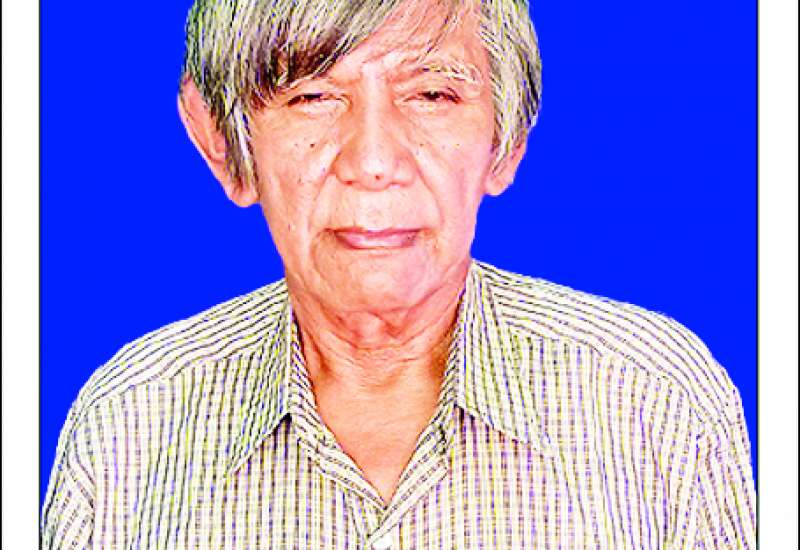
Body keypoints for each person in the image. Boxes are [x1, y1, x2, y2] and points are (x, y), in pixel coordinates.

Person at [42, 0, 756, 547]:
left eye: (432, 95)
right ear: (226, 146)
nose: (374, 160)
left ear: (506, 142)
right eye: (313, 96)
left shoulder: (658, 407)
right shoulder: (129, 425)